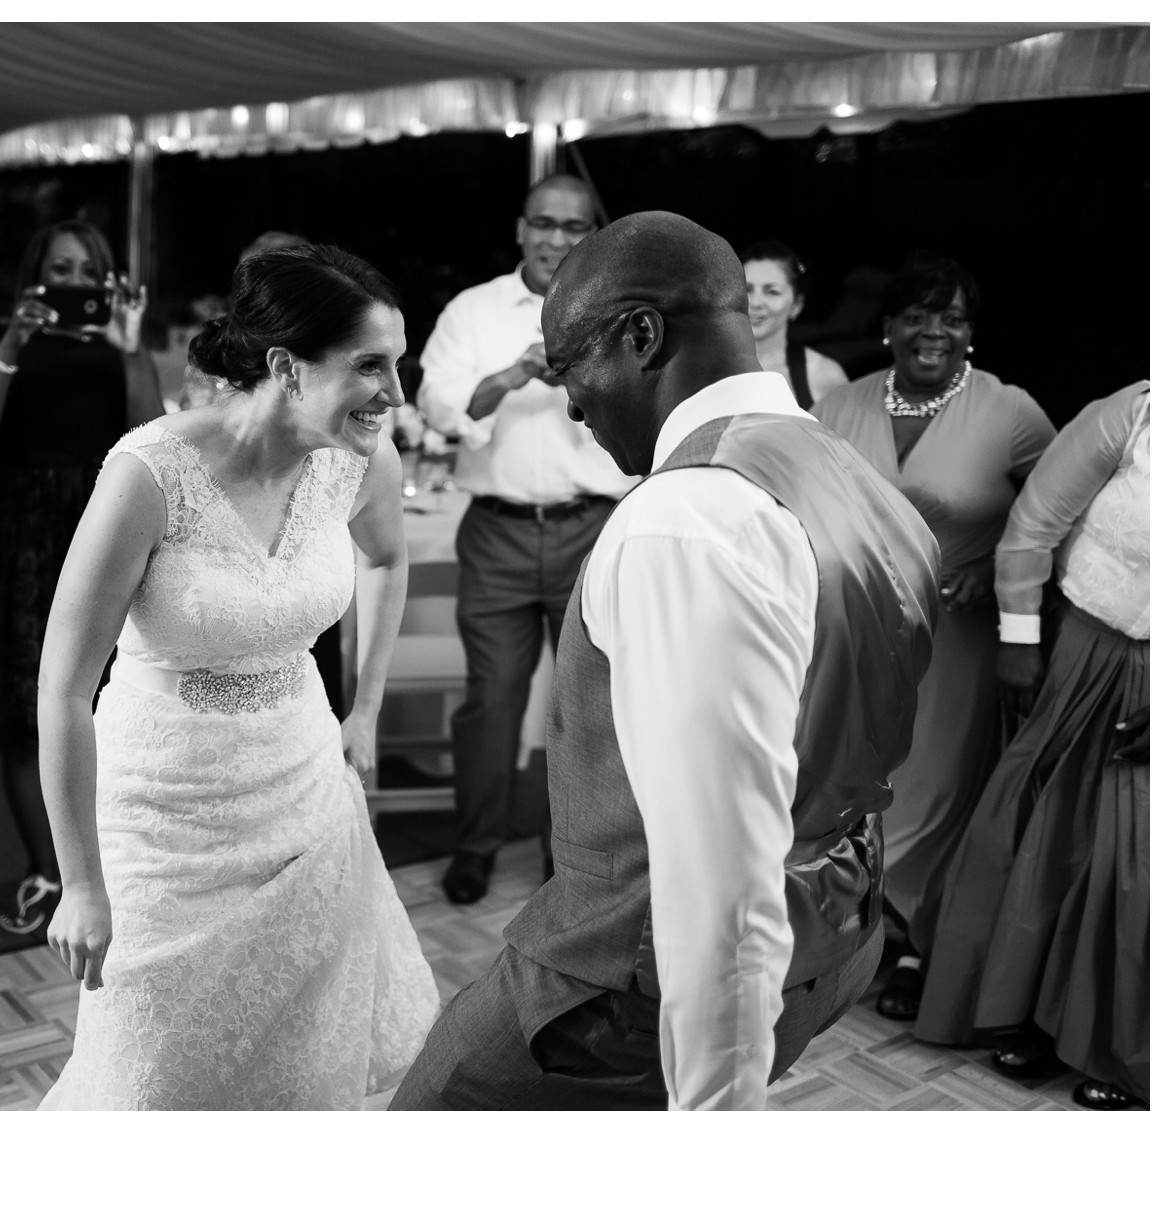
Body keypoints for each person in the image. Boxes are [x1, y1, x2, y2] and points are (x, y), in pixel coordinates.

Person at [390, 211, 941, 1111]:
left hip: (623, 983)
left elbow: (717, 879)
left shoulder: (682, 520)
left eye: (572, 367)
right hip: (839, 933)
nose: (571, 404)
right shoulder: (846, 470)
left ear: (640, 334)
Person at [36, 244, 439, 1109]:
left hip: (302, 792)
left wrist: (364, 711)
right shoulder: (148, 475)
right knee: (150, 1077)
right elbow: (64, 688)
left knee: (298, 1059)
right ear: (288, 368)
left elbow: (387, 561)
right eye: (371, 366)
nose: (396, 395)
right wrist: (79, 883)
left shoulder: (360, 461)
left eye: (399, 365)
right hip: (164, 813)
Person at [814, 253, 1055, 1020]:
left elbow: (1058, 511)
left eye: (952, 318)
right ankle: (857, 932)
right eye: (918, 315)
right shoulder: (837, 407)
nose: (935, 332)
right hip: (860, 634)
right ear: (887, 327)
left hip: (960, 636)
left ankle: (922, 940)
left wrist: (996, 573)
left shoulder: (1008, 410)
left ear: (970, 334)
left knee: (941, 785)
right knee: (861, 779)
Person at [915, 382, 1148, 1111]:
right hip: (1082, 647)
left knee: (1131, 864)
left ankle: (1116, 1044)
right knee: (1043, 831)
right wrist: (1020, 639)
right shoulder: (1136, 412)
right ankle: (1016, 1011)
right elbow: (1033, 524)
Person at [416, 173, 638, 904]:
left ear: (592, 237)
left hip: (595, 530)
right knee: (492, 699)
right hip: (499, 532)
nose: (557, 240)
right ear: (521, 229)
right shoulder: (473, 311)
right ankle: (475, 846)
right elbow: (440, 408)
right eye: (544, 224)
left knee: (590, 700)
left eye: (574, 228)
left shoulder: (625, 312)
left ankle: (572, 858)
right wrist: (514, 373)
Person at [0, 220, 163, 935]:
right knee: (20, 709)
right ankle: (49, 871)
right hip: (16, 532)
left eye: (86, 269)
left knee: (112, 702)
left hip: (100, 527)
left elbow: (153, 440)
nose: (72, 281)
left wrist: (130, 349)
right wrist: (12, 342)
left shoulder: (123, 347)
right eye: (58, 267)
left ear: (106, 280)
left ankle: (110, 873)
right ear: (35, 274)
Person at [740, 240, 848, 409]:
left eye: (772, 292)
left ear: (796, 305)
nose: (755, 302)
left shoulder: (823, 374)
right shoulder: (699, 364)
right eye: (747, 289)